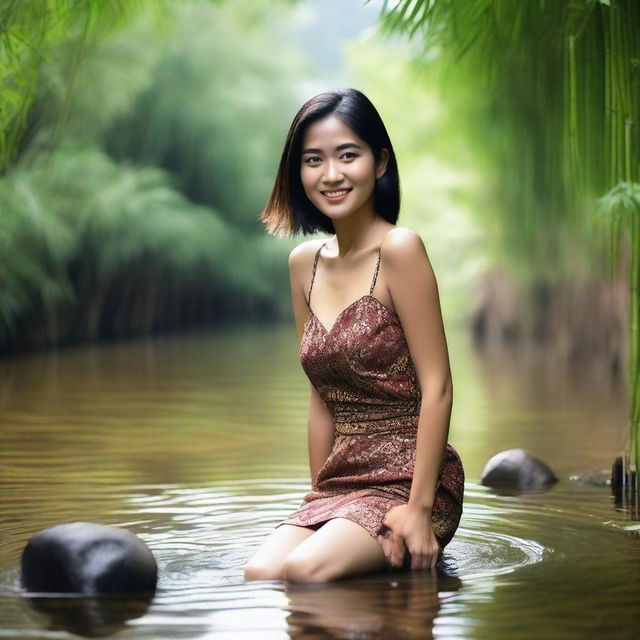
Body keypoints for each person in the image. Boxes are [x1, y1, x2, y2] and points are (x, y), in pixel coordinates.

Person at [244, 88, 464, 584]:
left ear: (379, 161)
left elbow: (439, 387)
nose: (331, 174)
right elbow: (321, 395)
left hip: (409, 477)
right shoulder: (303, 265)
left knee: (305, 572)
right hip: (341, 478)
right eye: (313, 160)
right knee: (261, 574)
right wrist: (320, 497)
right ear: (297, 173)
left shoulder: (400, 250)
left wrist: (418, 510)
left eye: (348, 155)